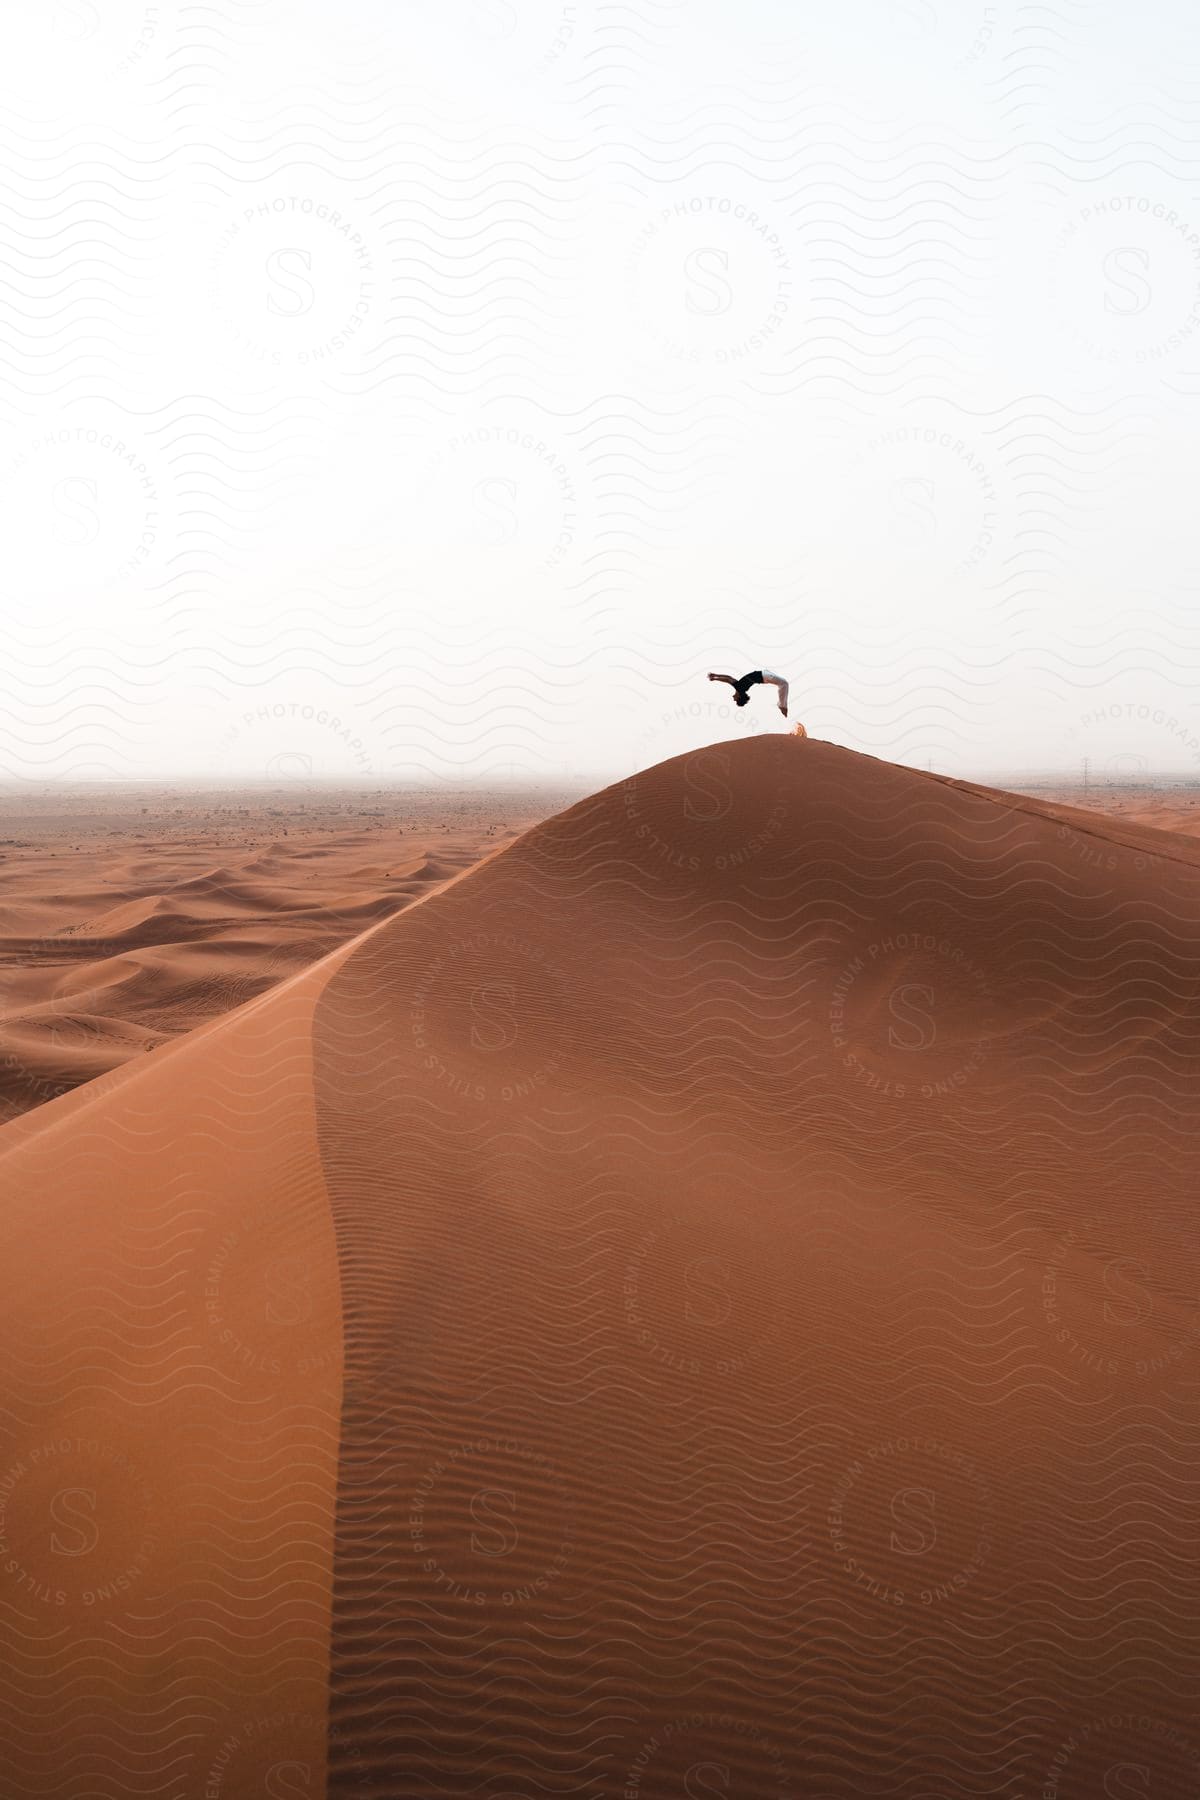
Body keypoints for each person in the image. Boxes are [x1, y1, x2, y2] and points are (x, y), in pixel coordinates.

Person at [707, 668, 789, 717]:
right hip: (765, 676)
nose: (733, 698)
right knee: (784, 684)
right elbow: (728, 679)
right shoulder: (739, 688)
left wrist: (716, 675)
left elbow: (728, 678)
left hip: (765, 675)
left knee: (783, 684)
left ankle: (782, 707)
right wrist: (715, 677)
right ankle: (782, 706)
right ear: (739, 697)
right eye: (735, 700)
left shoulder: (739, 687)